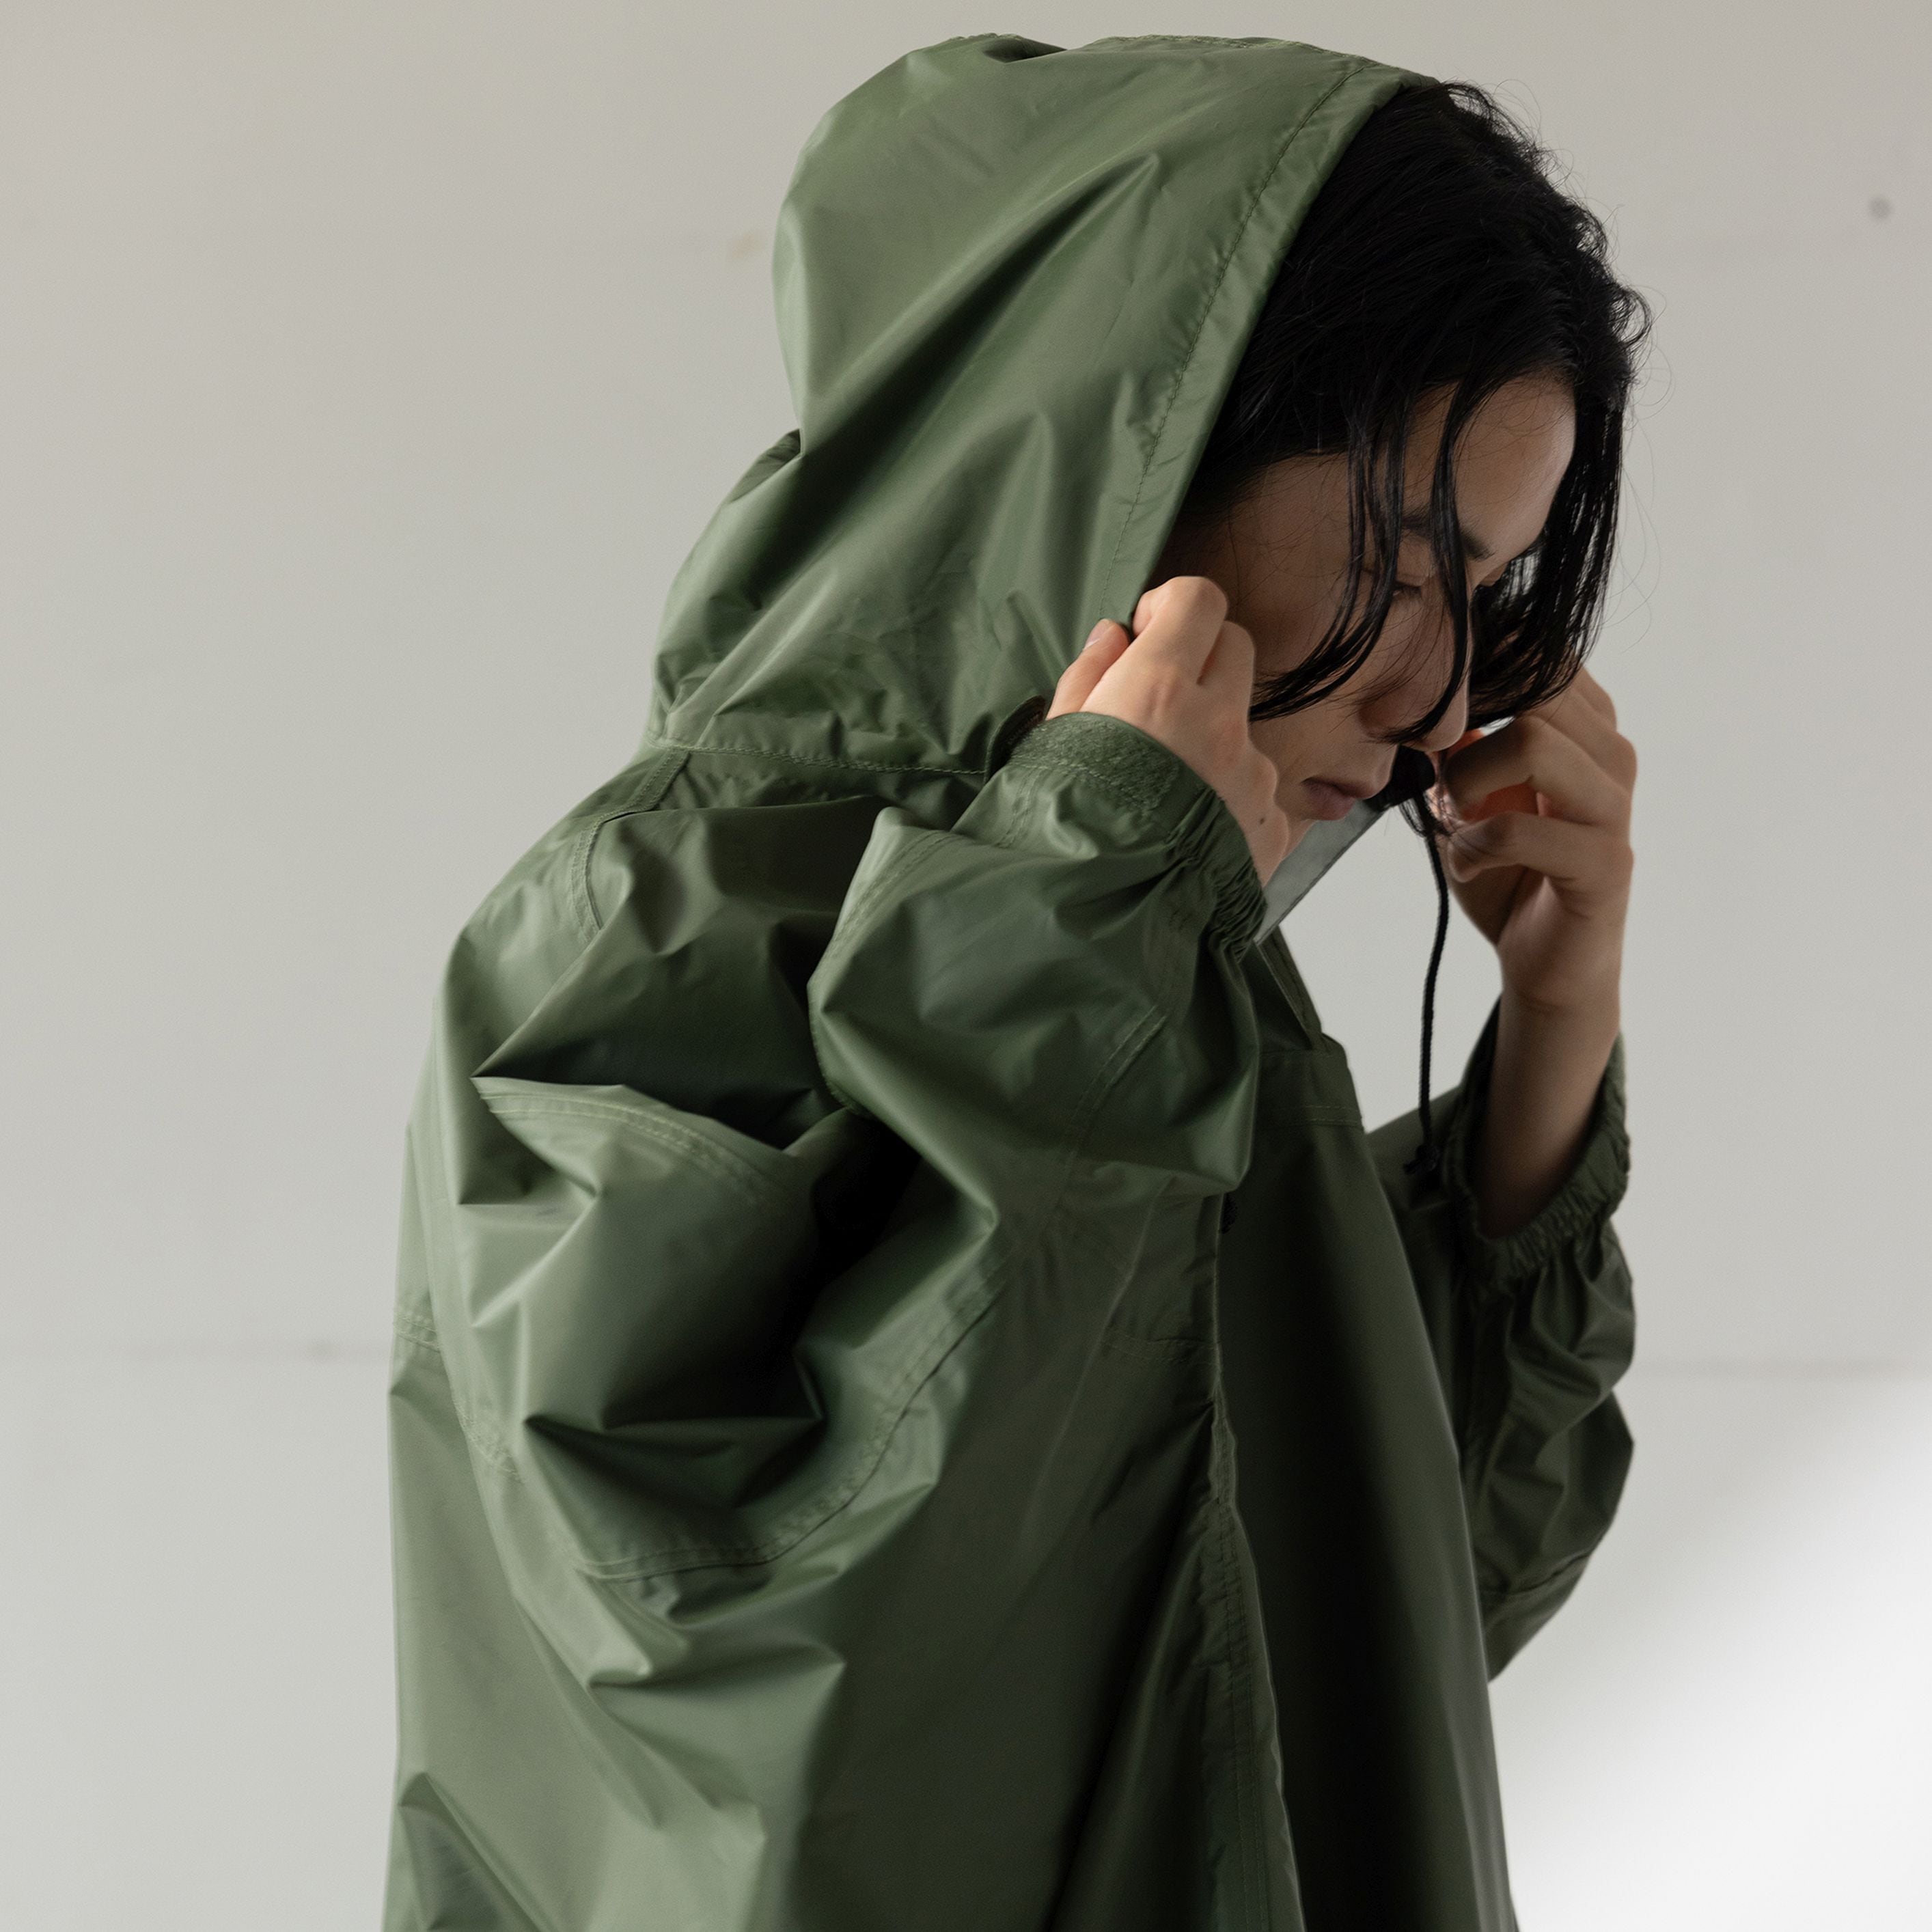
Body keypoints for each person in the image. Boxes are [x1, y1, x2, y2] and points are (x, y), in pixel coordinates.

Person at [381, 33, 1651, 1932]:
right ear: (1153, 430)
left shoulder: (1163, 946)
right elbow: (760, 1721)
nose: (1441, 700)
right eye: (1414, 559)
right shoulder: (650, 922)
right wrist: (1087, 918)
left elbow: (1359, 1635)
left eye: (1490, 596)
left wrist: (1552, 1034)